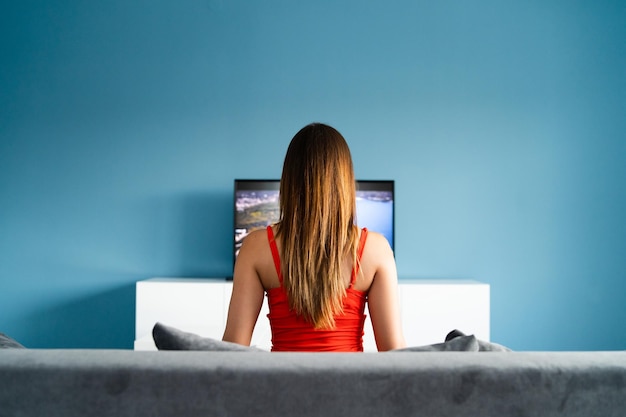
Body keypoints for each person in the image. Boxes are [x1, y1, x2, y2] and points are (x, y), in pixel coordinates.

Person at [222, 123, 406, 351]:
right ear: (345, 179)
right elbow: (395, 354)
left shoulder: (256, 247)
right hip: (351, 386)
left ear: (289, 179)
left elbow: (232, 350)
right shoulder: (376, 249)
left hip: (282, 386)